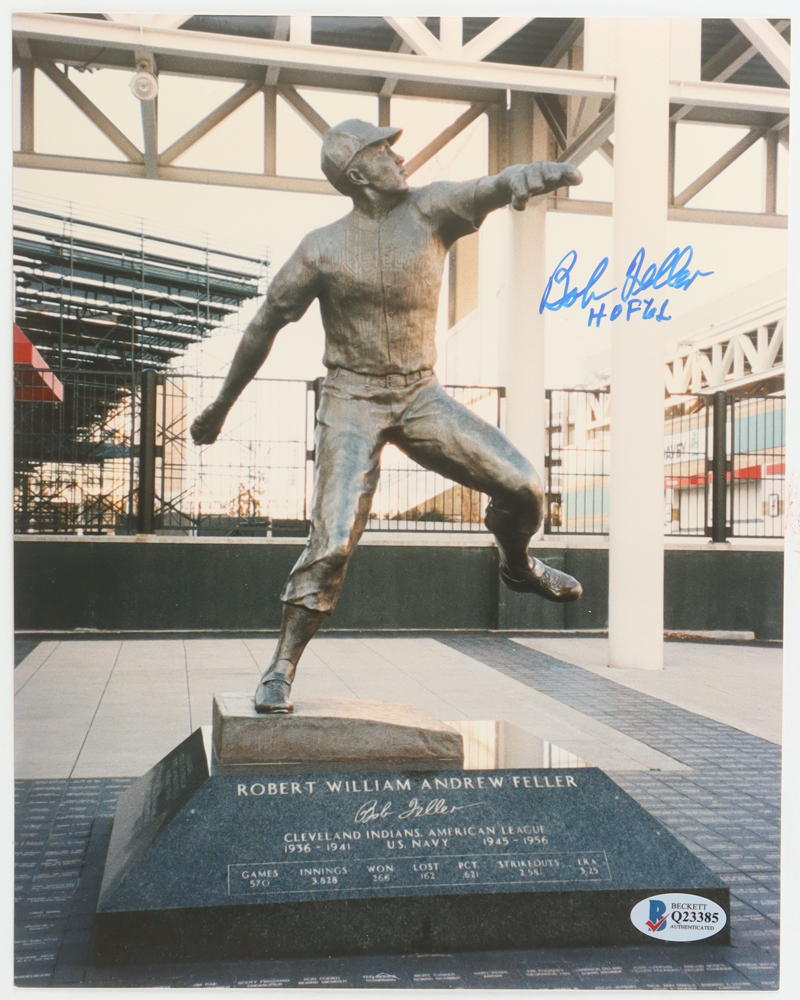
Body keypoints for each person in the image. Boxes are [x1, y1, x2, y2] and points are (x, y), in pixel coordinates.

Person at [191, 118, 584, 714]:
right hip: (351, 400)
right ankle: (281, 666)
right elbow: (263, 325)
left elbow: (489, 187)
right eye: (384, 151)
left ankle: (517, 564)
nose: (400, 157)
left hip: (421, 397)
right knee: (332, 542)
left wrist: (526, 176)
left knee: (526, 486)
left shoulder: (431, 209)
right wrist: (221, 406)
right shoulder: (320, 247)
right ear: (358, 173)